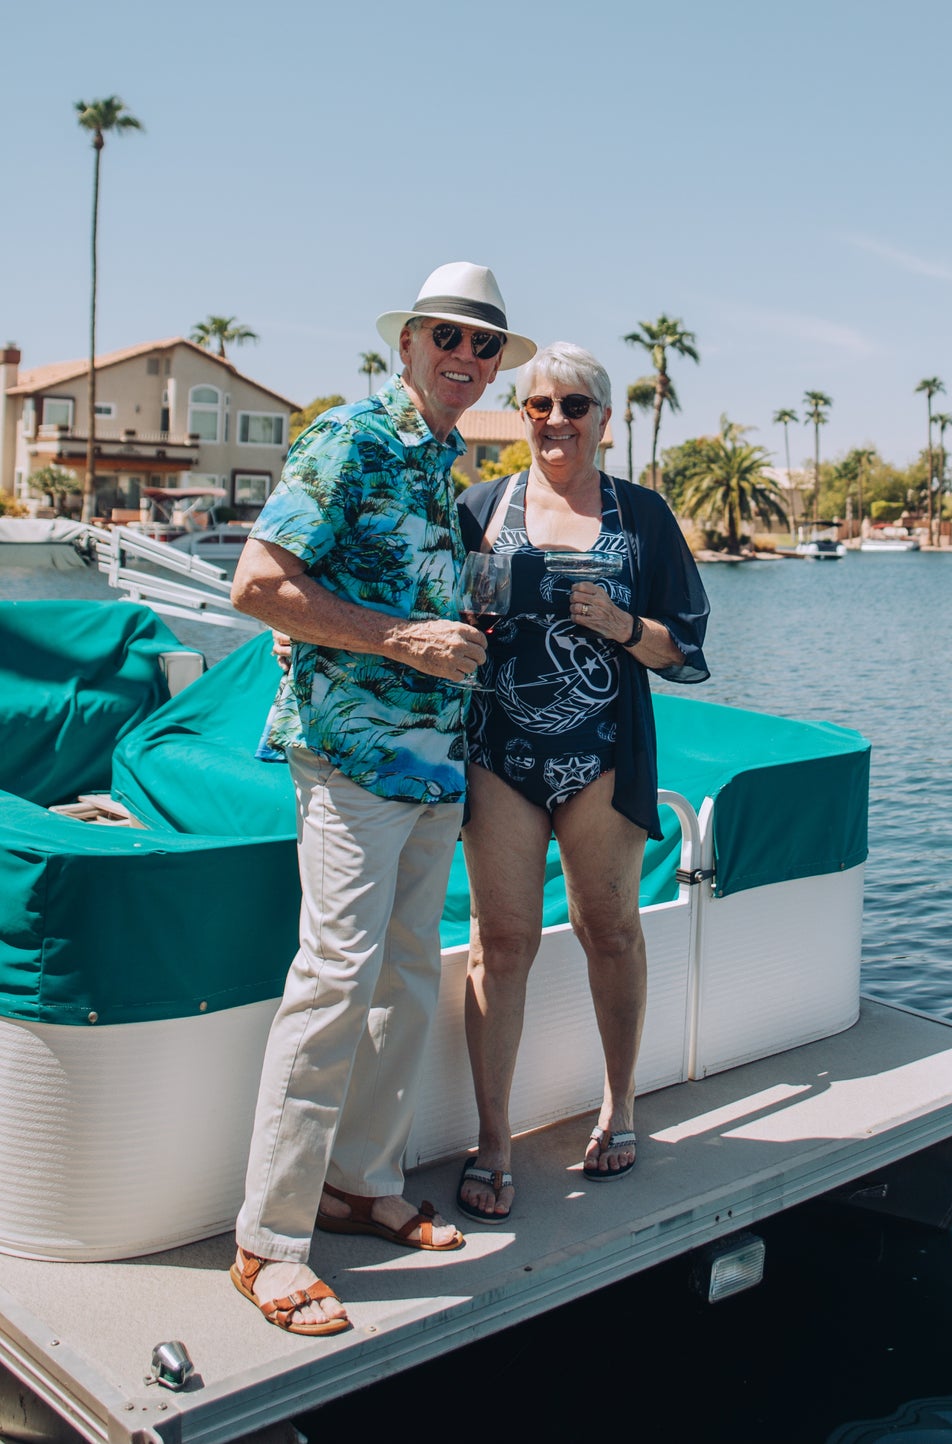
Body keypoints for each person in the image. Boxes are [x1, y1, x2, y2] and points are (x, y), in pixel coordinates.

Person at [227, 263, 536, 1334]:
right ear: (406, 344)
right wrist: (401, 636)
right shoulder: (350, 439)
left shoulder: (445, 472)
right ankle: (268, 1241)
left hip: (433, 767)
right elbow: (258, 585)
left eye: (483, 345)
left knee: (406, 978)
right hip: (351, 760)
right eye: (445, 336)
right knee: (333, 981)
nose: (464, 356)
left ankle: (358, 1181)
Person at [453, 342, 709, 1224]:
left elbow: (684, 648)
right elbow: (423, 610)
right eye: (538, 406)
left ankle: (620, 1106)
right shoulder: (480, 507)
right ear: (520, 416)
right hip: (499, 750)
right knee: (502, 943)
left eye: (574, 406)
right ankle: (494, 1141)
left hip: (602, 753)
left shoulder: (642, 516)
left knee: (609, 928)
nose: (555, 421)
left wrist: (620, 622)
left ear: (604, 418)